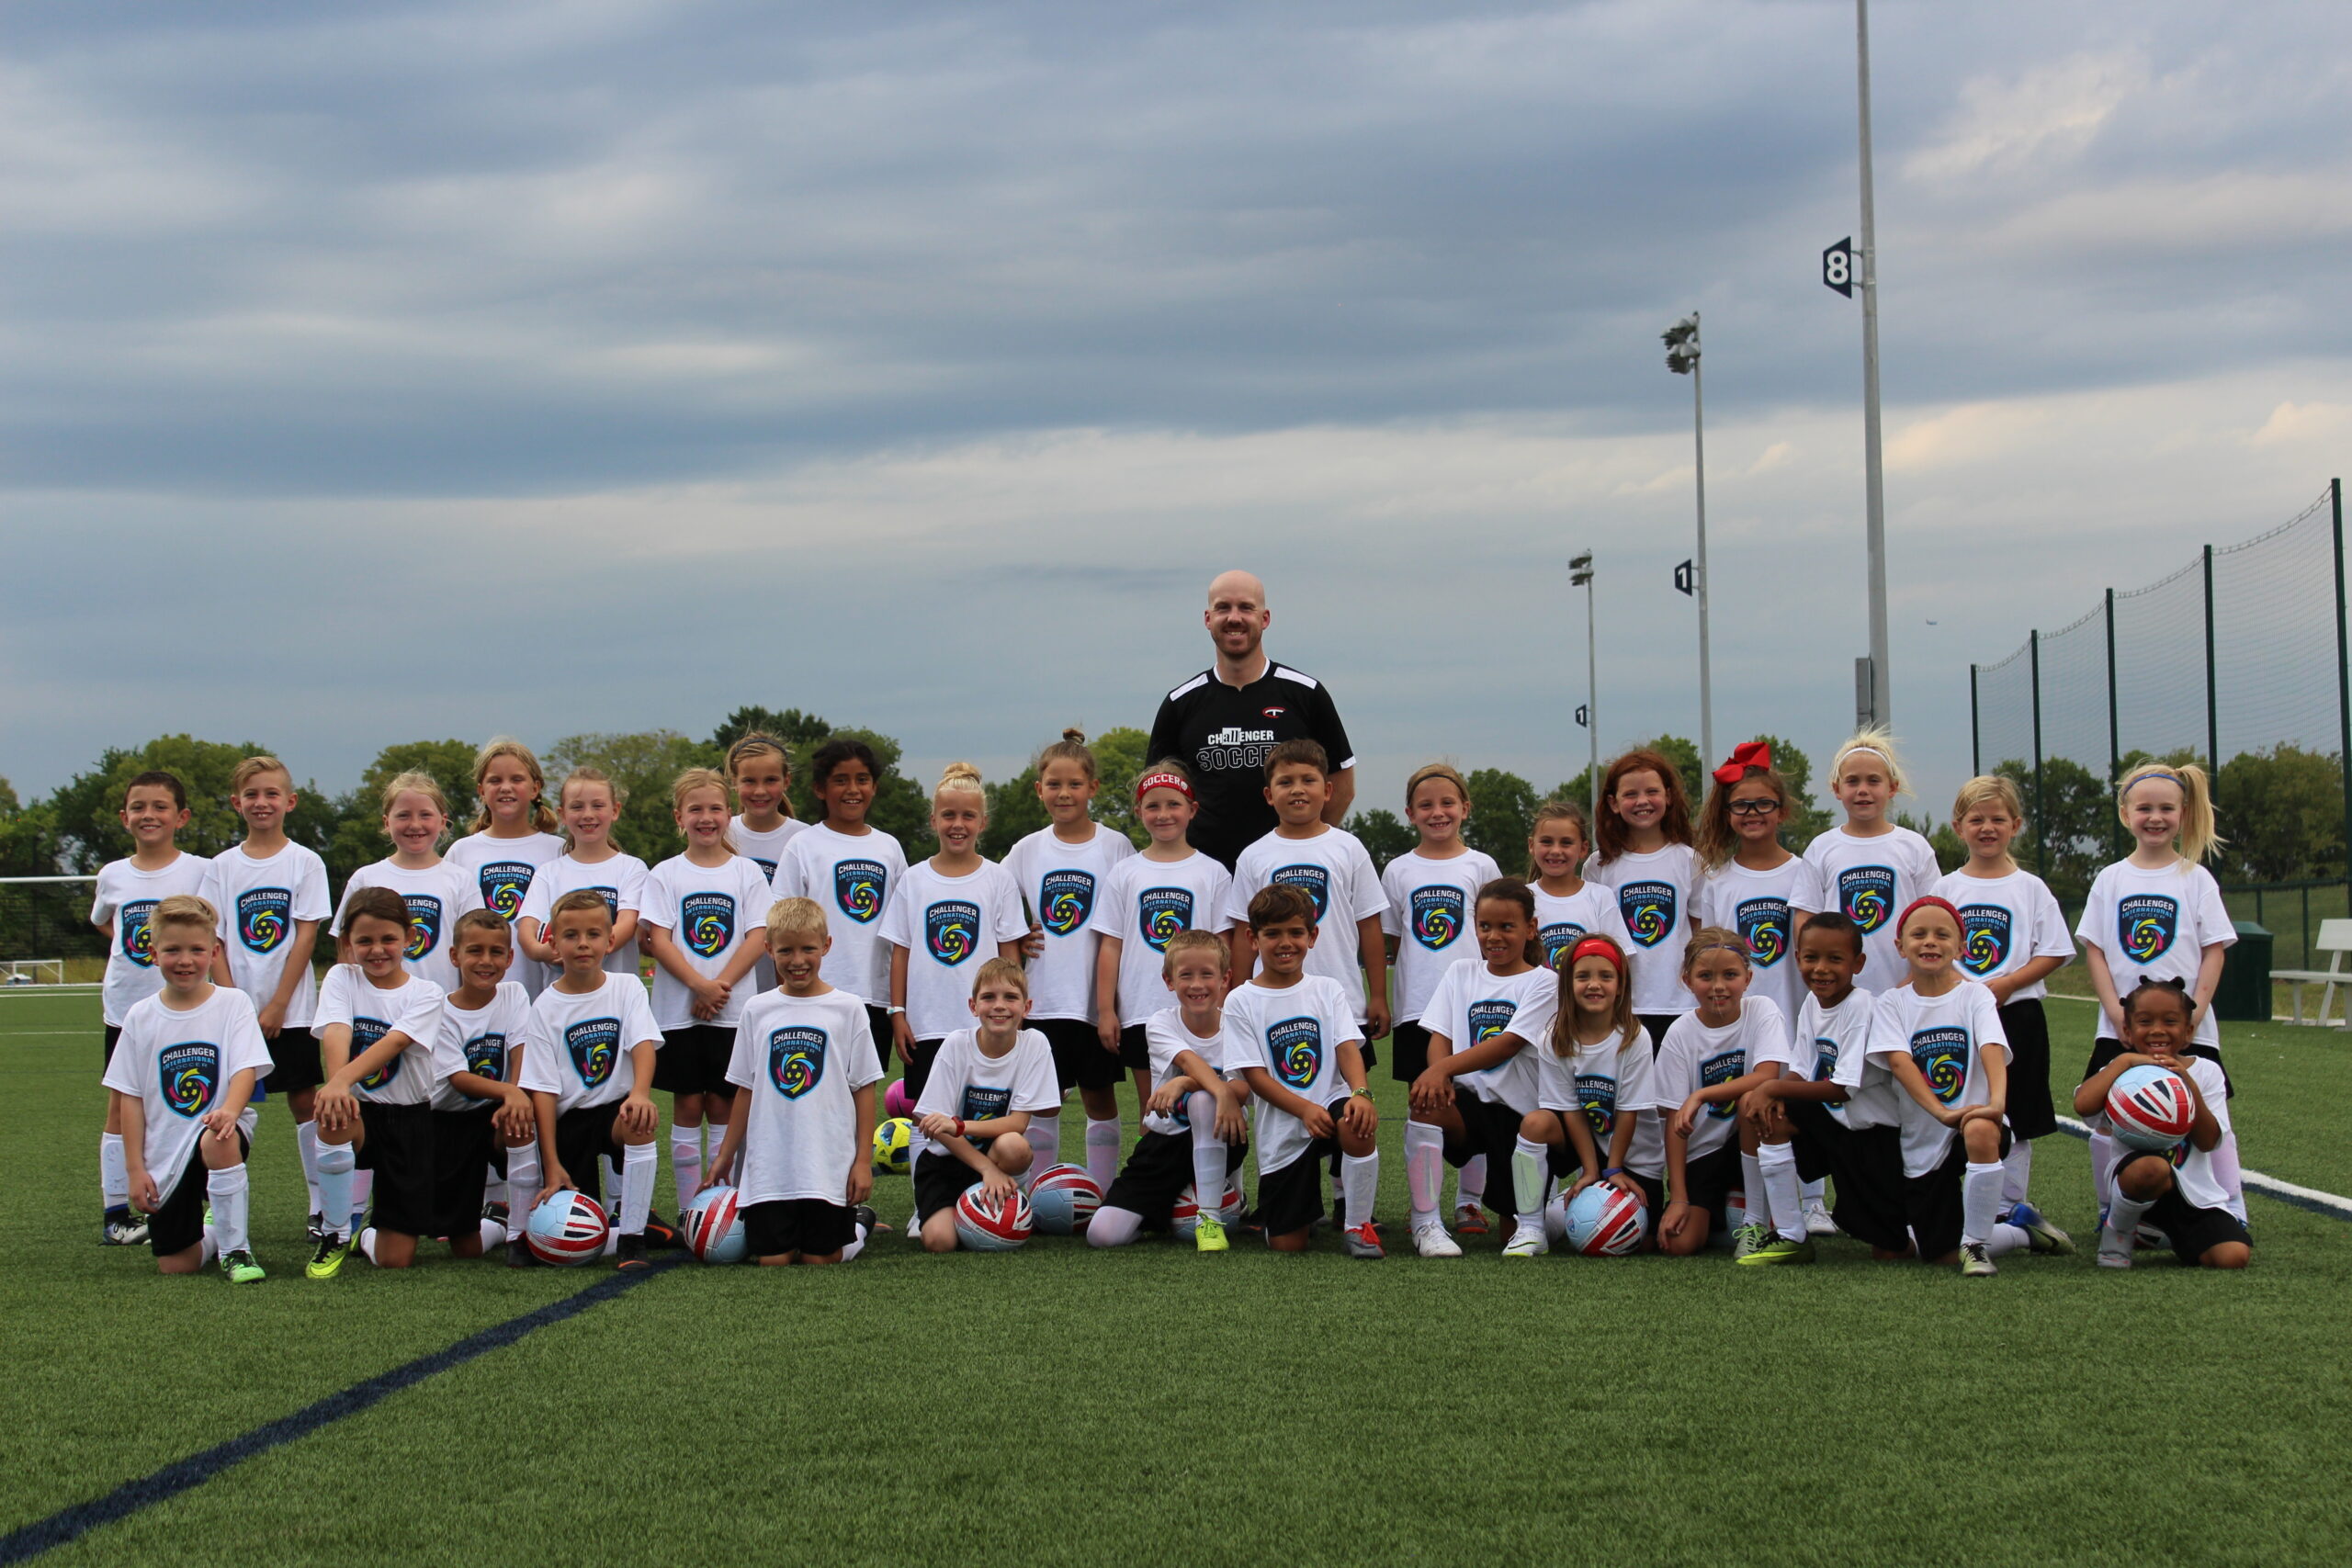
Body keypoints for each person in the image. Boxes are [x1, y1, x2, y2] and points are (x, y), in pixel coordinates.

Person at [1867, 897, 2074, 1277]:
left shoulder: (1975, 994)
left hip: (1974, 1124)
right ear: (1900, 946)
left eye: (1942, 935)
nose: (1930, 941)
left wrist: (1996, 1105)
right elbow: (1900, 1063)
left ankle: (1976, 1246)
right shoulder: (1891, 1003)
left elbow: (1991, 1047)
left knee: (1980, 1128)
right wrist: (1941, 1112)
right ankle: (2022, 1232)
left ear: (1962, 947)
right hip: (1924, 1135)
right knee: (1935, 1253)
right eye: (1919, 934)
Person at [2075, 761, 2239, 1222]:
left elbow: (2214, 950)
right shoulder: (2110, 878)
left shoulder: (2196, 878)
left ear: (2183, 814)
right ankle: (2113, 1211)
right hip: (2122, 1029)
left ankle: (2229, 1206)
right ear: (2125, 814)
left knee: (2205, 1117)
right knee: (2110, 1119)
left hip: (2189, 1030)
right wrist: (2116, 1013)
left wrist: (2196, 1014)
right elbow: (2096, 951)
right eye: (2144, 808)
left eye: (2166, 808)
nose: (2155, 817)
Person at [1691, 741, 1828, 1235]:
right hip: (1741, 1018)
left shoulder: (1804, 871)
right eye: (1741, 805)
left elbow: (1812, 947)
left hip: (1795, 1010)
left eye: (1763, 804)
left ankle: (1812, 1201)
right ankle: (1757, 1205)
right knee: (1749, 1110)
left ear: (1782, 811)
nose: (1752, 813)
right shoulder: (1717, 879)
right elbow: (1709, 953)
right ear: (1727, 814)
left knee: (1794, 1104)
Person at [101, 895, 271, 1283]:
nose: (185, 960)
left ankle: (236, 1250)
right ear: (153, 953)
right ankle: (215, 1231)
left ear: (214, 952)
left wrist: (230, 1110)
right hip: (165, 1151)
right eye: (172, 950)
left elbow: (246, 1069)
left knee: (217, 1138)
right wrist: (135, 1170)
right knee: (178, 1264)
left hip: (221, 1129)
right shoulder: (140, 1016)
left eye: (196, 950)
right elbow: (130, 1099)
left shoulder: (233, 1003)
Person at [704, 898, 882, 1266]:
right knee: (773, 1261)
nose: (797, 960)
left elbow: (864, 1087)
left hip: (828, 1164)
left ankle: (859, 1227)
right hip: (771, 1165)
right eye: (785, 950)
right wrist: (725, 1156)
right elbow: (745, 1088)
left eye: (808, 949)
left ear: (826, 946)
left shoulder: (848, 1007)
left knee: (819, 1259)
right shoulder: (757, 1009)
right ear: (768, 949)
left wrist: (863, 1161)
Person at [198, 755, 331, 1238]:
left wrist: (277, 1004)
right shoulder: (221, 867)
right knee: (228, 1106)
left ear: (289, 802)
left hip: (290, 1011)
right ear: (236, 803)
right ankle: (215, 1201)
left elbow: (306, 937)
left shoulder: (305, 862)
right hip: (233, 1012)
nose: (262, 802)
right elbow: (214, 938)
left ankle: (320, 1204)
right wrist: (234, 1004)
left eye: (271, 793)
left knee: (304, 1101)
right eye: (251, 794)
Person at [1731, 911, 1909, 1265]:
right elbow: (1800, 1071)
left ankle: (1998, 1234)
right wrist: (1770, 1092)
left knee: (1891, 1250)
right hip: (1835, 1125)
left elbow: (1842, 1088)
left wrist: (1772, 1087)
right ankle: (1790, 1234)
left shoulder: (1861, 1007)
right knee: (1763, 1108)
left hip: (1875, 1138)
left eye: (1835, 959)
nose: (1821, 969)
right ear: (1797, 957)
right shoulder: (1813, 1001)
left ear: (1858, 964)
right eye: (1811, 958)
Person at [1930, 775, 2073, 1217]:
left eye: (1997, 819)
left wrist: (2009, 983)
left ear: (2016, 825)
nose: (1987, 828)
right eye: (1976, 820)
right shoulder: (1945, 889)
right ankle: (1953, 1202)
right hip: (1957, 1016)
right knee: (1956, 1104)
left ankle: (2010, 1206)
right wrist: (1961, 984)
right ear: (1958, 827)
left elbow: (2055, 950)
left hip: (2018, 1016)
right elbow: (1929, 946)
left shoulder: (2030, 887)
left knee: (2018, 1112)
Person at [1147, 570, 1357, 868]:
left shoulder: (1306, 694)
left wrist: (1306, 845)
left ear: (1265, 618)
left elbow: (1342, 784)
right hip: (1206, 876)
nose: (1234, 618)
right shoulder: (1179, 704)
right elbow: (1155, 791)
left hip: (1287, 873)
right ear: (1208, 618)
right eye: (1223, 608)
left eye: (1246, 607)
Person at [1002, 728, 1135, 1189]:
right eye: (1054, 784)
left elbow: (1127, 916)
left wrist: (1109, 1005)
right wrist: (1017, 936)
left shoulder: (1115, 846)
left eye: (1074, 784)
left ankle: (1101, 1192)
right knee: (1043, 1103)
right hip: (1042, 999)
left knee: (1099, 1097)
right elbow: (996, 900)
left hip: (1095, 1002)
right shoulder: (1026, 849)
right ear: (1038, 789)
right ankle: (1037, 1194)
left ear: (1092, 787)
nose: (1064, 793)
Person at [639, 767, 775, 1213]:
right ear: (678, 817)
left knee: (723, 1105)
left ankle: (721, 1212)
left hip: (733, 1013)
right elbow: (658, 939)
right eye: (695, 809)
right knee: (687, 1105)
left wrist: (720, 988)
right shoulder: (665, 873)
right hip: (679, 1012)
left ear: (728, 814)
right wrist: (699, 985)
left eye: (715, 808)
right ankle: (688, 1212)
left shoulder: (746, 872)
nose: (706, 817)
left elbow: (758, 936)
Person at [1223, 886, 1382, 1258]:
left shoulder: (1327, 989)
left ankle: (1358, 1225)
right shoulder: (1240, 1000)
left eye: (1296, 932)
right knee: (1289, 1245)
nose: (1285, 943)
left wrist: (1360, 1092)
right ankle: (1290, 1217)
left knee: (1356, 1122)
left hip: (1330, 1102)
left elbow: (1346, 1047)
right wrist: (1304, 1109)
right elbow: (1255, 1077)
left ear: (1312, 936)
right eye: (1273, 933)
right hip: (1285, 1123)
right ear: (1252, 938)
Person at [1402, 879, 1558, 1258]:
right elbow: (1439, 1034)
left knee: (1511, 1235)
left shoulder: (1544, 981)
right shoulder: (1461, 972)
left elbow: (1508, 1043)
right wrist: (1439, 1076)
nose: (1494, 936)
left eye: (1506, 926)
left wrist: (1440, 1070)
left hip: (1519, 1115)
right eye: (1485, 926)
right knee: (1425, 1104)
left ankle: (1554, 1209)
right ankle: (1425, 1223)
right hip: (1468, 1105)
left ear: (1530, 928)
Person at [92, 770, 211, 1245]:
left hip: (189, 1009)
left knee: (197, 1102)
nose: (149, 815)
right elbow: (105, 922)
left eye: (160, 806)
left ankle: (202, 1201)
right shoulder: (112, 874)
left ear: (181, 817)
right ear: (124, 818)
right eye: (138, 807)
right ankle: (116, 1214)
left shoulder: (201, 870)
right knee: (121, 1106)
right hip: (126, 1009)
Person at [1382, 764, 1503, 1231]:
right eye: (1426, 805)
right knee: (1425, 1105)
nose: (1438, 812)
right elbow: (1396, 941)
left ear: (1465, 808)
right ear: (1410, 813)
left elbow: (1493, 934)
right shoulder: (1398, 869)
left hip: (1473, 1009)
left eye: (1447, 803)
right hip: (1418, 1008)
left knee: (1479, 1101)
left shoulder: (1481, 865)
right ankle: (1424, 1208)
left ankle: (1469, 1201)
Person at [518, 889, 663, 1269]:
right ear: (553, 944)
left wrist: (640, 1093)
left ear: (610, 940)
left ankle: (633, 1237)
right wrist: (551, 1161)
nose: (583, 943)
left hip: (615, 1110)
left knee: (640, 1121)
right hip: (569, 1120)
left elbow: (643, 1045)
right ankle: (524, 1232)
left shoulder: (626, 987)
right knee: (574, 1231)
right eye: (571, 935)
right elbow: (543, 1090)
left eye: (593, 934)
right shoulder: (544, 1007)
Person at [308, 886, 449, 1278]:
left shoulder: (427, 992)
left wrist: (340, 1080)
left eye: (388, 939)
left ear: (410, 936)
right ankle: (335, 1232)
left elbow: (395, 1042)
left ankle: (365, 1235)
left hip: (409, 1118)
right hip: (360, 1112)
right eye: (364, 941)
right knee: (333, 1114)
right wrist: (339, 1087)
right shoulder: (342, 977)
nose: (377, 950)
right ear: (347, 942)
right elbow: (338, 1028)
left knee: (395, 1259)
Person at [1090, 930, 1250, 1253]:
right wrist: (1214, 1087)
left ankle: (1210, 1218)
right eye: (1186, 975)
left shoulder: (1238, 1024)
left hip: (1224, 1136)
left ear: (1225, 979)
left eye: (1207, 974)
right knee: (1102, 1235)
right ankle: (1169, 1208)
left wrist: (1187, 1084)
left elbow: (1242, 1088)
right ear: (1169, 981)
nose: (1196, 984)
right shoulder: (1160, 1023)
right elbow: (1189, 1061)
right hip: (1163, 1145)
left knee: (1203, 1100)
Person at [881, 762, 1030, 1109]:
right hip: (926, 1024)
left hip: (984, 1023)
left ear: (982, 822)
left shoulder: (998, 879)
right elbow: (900, 953)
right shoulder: (914, 880)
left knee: (984, 1111)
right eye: (948, 815)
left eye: (968, 816)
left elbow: (1010, 957)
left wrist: (1015, 1013)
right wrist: (898, 1014)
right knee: (926, 1114)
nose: (958, 824)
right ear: (933, 820)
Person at [1222, 739, 1390, 1048]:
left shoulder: (1349, 848)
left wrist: (1378, 995)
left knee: (1350, 1078)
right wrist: (1239, 994)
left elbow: (1369, 925)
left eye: (1308, 780)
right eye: (1285, 782)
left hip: (1343, 1001)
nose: (1297, 789)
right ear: (1269, 795)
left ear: (1327, 790)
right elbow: (1245, 934)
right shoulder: (1253, 856)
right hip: (1270, 1003)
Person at [2075, 978, 2249, 1271]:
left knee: (2232, 1257)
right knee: (2152, 1168)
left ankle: (2166, 1235)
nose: (2157, 1030)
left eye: (2170, 1021)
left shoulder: (2206, 1072)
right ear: (2127, 1031)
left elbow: (2208, 1141)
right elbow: (2082, 1105)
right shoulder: (2121, 1072)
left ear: (2188, 1031)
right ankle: (2118, 1230)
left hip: (2195, 1195)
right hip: (2136, 1182)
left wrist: (2187, 1083)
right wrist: (2123, 1062)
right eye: (2145, 1021)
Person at [1091, 761, 1232, 1110]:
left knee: (1209, 1098)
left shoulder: (1213, 872)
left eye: (1173, 804)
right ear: (1139, 811)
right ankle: (1151, 1148)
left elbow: (1224, 946)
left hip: (1201, 1009)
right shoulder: (1125, 873)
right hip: (1141, 1009)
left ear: (1192, 809)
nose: (1164, 814)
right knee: (1153, 1107)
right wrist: (1106, 1010)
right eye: (1153, 806)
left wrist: (1224, 1001)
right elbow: (1111, 946)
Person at [771, 737, 910, 1079]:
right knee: (815, 1086)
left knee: (860, 1088)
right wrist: (786, 993)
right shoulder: (802, 845)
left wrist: (898, 1006)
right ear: (820, 789)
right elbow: (780, 927)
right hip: (814, 991)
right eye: (840, 780)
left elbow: (905, 930)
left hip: (875, 996)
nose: (853, 789)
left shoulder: (889, 847)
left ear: (874, 786)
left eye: (862, 779)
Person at [1648, 927, 1786, 1258]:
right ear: (1687, 980)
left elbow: (1767, 1075)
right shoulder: (1680, 1033)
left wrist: (1701, 1095)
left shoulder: (1762, 1010)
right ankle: (1722, 1215)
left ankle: (1757, 1221)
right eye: (1706, 976)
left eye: (1730, 975)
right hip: (1703, 1153)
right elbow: (1674, 1122)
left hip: (1752, 1139)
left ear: (1748, 978)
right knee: (1679, 1245)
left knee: (1753, 1102)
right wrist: (1679, 1197)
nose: (1718, 986)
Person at [909, 959, 1059, 1253]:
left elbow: (1018, 1123)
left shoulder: (1034, 1044)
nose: (999, 1006)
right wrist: (985, 1168)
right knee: (939, 1242)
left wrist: (960, 1126)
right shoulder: (956, 1044)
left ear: (1026, 1007)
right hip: (945, 1163)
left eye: (1010, 997)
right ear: (973, 1006)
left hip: (998, 1155)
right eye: (988, 997)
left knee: (1015, 1146)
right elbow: (937, 1129)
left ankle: (1005, 1200)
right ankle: (955, 1210)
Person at [1515, 935, 1652, 1257]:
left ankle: (1560, 1212)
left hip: (1629, 1151)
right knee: (1535, 1123)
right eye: (1583, 976)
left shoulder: (1634, 1037)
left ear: (1621, 986)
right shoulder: (1553, 1038)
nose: (1594, 985)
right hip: (1580, 1143)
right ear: (1567, 984)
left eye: (1606, 976)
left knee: (1648, 1242)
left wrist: (1613, 1169)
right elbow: (1571, 1110)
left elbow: (1628, 1111)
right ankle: (1532, 1226)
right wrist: (1591, 1170)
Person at [1801, 730, 1940, 999]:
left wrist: (1915, 978)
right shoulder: (1821, 848)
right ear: (1837, 789)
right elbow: (1805, 919)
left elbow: (1935, 916)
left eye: (1873, 780)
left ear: (1892, 787)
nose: (1862, 790)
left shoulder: (1914, 846)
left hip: (1907, 993)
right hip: (1839, 997)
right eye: (1852, 781)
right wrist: (1821, 972)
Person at [432, 908, 536, 1259]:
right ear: (455, 955)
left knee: (521, 1120)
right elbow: (459, 1079)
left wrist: (515, 1097)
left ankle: (520, 1232)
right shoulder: (439, 1010)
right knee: (465, 1248)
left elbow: (520, 1049)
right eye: (475, 951)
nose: (486, 961)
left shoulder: (514, 993)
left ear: (509, 958)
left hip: (493, 1111)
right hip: (445, 1121)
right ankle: (495, 1222)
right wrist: (511, 1092)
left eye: (496, 952)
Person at [1585, 750, 1702, 1051]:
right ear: (1613, 802)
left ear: (1669, 796)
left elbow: (1700, 932)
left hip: (1680, 1003)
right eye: (1630, 794)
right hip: (1620, 1004)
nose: (1642, 801)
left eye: (1652, 791)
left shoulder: (1690, 860)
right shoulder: (1598, 865)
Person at [332, 772, 482, 995]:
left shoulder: (461, 880)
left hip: (441, 1007)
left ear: (442, 821)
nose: (415, 825)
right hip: (376, 1009)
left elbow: (474, 950)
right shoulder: (365, 878)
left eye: (425, 815)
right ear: (386, 822)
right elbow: (347, 953)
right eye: (403, 816)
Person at [443, 739, 566, 998]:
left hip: (544, 995)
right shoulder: (461, 851)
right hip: (478, 998)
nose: (506, 787)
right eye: (495, 780)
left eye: (517, 779)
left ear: (535, 788)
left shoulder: (558, 850)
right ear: (481, 790)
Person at [515, 766, 650, 979]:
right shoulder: (549, 873)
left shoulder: (632, 868)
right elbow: (526, 930)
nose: (588, 815)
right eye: (577, 807)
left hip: (615, 994)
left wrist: (579, 950)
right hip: (562, 995)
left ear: (615, 810)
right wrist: (543, 951)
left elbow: (626, 925)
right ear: (563, 815)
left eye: (598, 805)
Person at [1525, 797, 1631, 972]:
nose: (1556, 850)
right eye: (1547, 842)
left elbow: (1619, 958)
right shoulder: (1522, 898)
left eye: (1566, 843)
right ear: (1531, 845)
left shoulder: (1600, 897)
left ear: (1583, 849)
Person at [725, 731, 808, 883]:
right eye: (749, 781)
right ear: (734, 782)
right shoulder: (722, 834)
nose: (760, 791)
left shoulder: (805, 838)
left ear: (786, 781)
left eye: (770, 780)